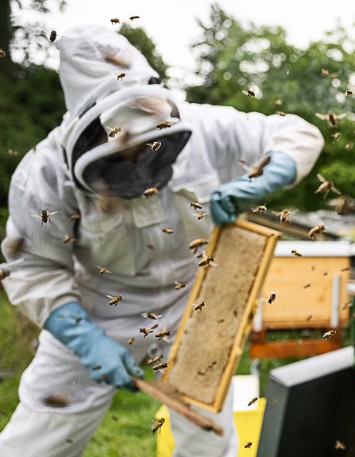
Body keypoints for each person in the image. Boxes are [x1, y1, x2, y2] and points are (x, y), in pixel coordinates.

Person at [0, 25, 323, 456]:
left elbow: (296, 133)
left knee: (208, 443)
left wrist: (263, 178)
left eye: (147, 150)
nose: (136, 167)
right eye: (121, 158)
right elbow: (32, 268)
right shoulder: (44, 174)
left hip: (195, 304)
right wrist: (81, 336)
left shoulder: (206, 126)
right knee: (35, 444)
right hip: (94, 312)